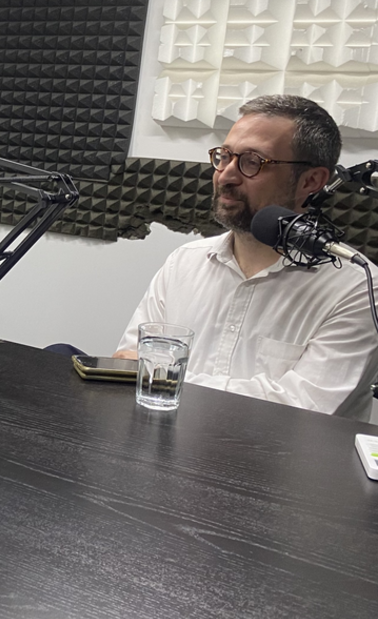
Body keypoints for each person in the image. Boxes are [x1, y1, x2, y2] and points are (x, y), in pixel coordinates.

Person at [114, 95, 377, 420]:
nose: (225, 175)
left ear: (311, 181)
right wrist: (145, 374)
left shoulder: (358, 289)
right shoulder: (184, 263)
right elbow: (127, 365)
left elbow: (302, 410)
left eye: (252, 162)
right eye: (224, 157)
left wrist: (164, 378)